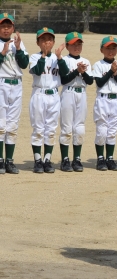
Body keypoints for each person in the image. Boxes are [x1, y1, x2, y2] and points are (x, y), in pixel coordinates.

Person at [28, 27, 68, 174]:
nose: (46, 42)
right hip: (39, 94)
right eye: (43, 40)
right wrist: (43, 56)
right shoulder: (34, 57)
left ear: (54, 42)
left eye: (49, 39)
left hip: (54, 96)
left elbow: (64, 75)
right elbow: (37, 71)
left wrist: (59, 58)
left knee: (51, 129)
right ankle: (37, 160)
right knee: (38, 128)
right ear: (38, 42)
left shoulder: (58, 58)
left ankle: (47, 159)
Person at [59, 32, 93, 172]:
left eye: (79, 44)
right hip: (68, 92)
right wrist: (76, 71)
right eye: (73, 44)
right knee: (66, 127)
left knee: (79, 127)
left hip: (82, 94)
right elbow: (64, 80)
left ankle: (77, 159)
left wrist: (83, 72)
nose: (76, 47)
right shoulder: (65, 60)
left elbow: (90, 81)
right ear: (67, 46)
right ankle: (65, 159)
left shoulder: (86, 61)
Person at [92, 36, 117, 171]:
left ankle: (110, 158)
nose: (111, 51)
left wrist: (116, 74)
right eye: (108, 48)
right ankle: (100, 159)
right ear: (102, 49)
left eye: (114, 48)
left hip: (116, 100)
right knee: (102, 130)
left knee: (112, 131)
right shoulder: (98, 65)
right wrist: (111, 72)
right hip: (103, 99)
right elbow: (99, 83)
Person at [0, 13, 28, 175]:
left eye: (8, 26)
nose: (5, 29)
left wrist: (17, 48)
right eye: (3, 26)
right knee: (1, 124)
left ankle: (9, 161)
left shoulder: (19, 44)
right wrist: (3, 53)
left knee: (12, 124)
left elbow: (24, 64)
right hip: (2, 83)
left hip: (16, 84)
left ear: (13, 28)